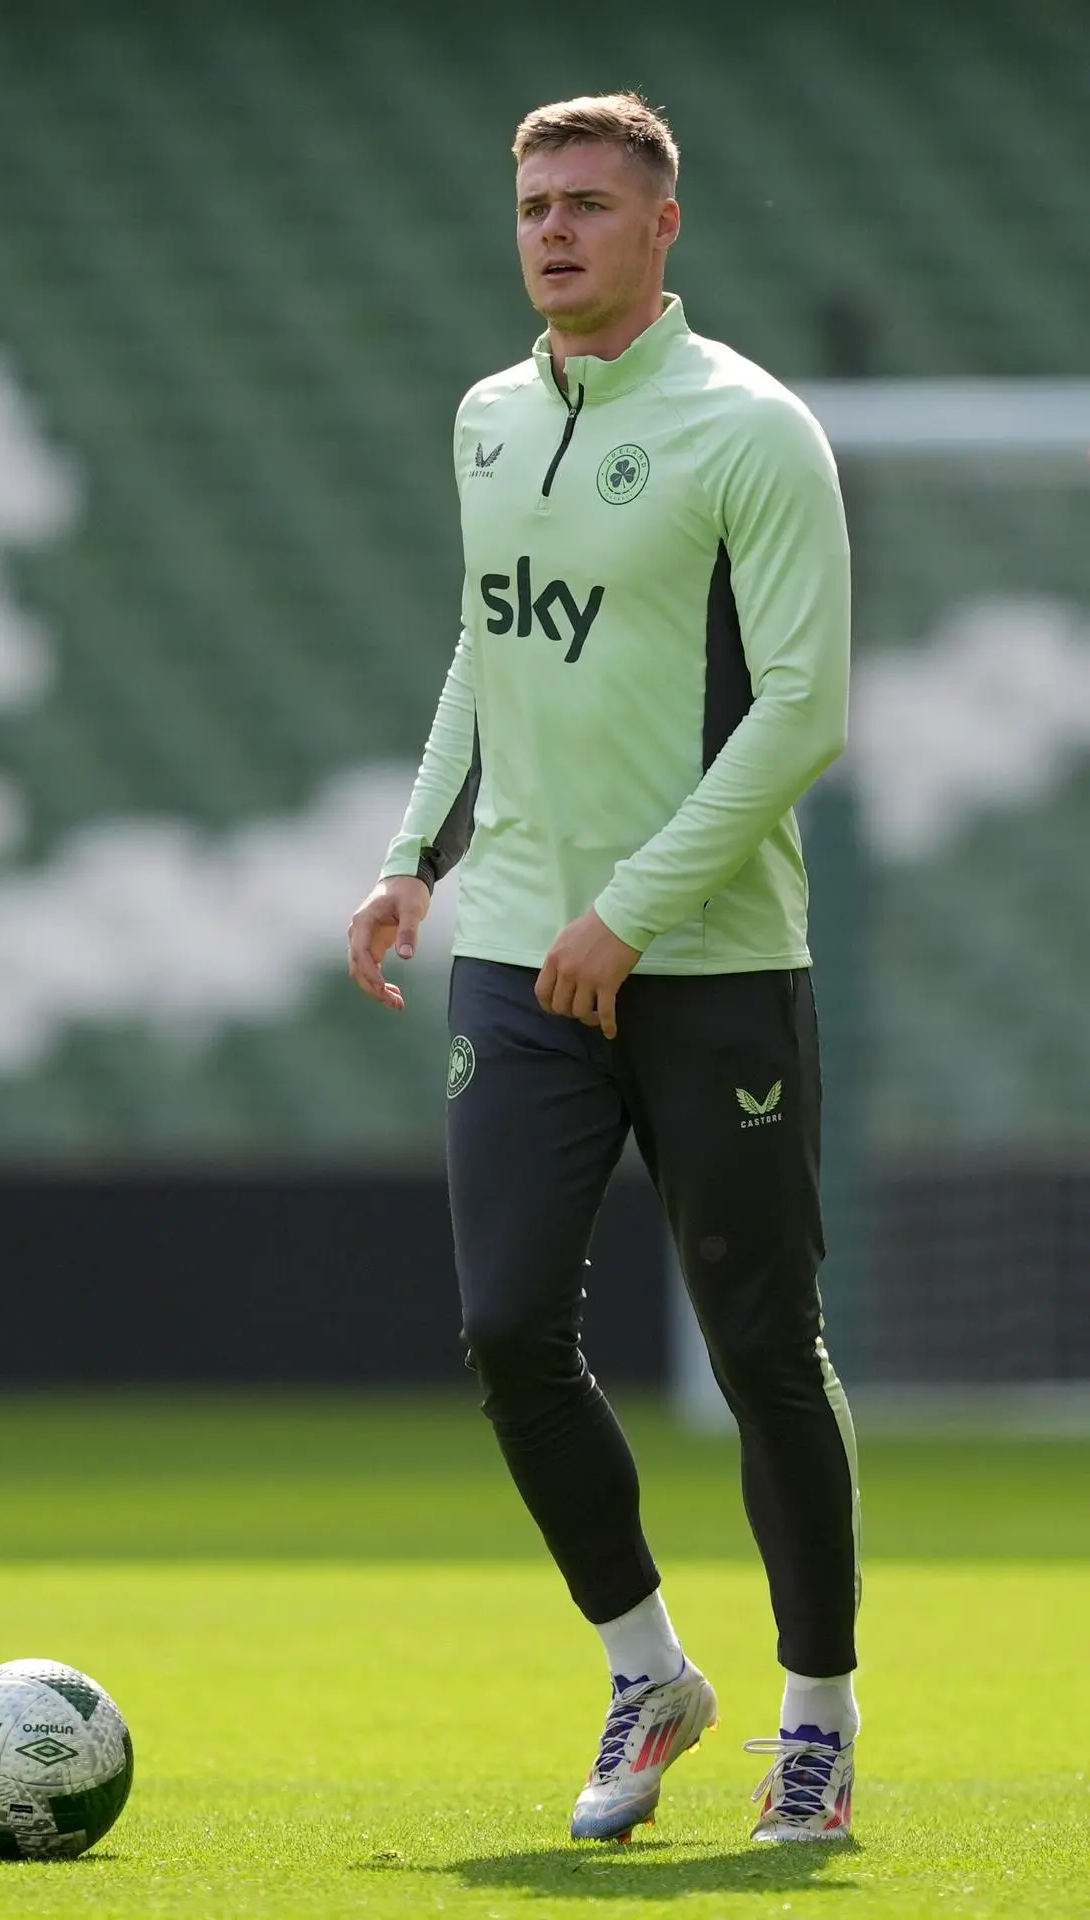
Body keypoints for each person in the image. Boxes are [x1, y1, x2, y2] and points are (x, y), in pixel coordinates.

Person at [347, 90, 859, 1846]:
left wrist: (631, 907)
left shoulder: (752, 434)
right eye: (533, 206)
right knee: (505, 1330)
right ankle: (650, 1670)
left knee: (762, 1349)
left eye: (587, 203)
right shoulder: (490, 419)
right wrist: (417, 860)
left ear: (663, 226)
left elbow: (803, 712)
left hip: (707, 961)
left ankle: (816, 1719)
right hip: (515, 956)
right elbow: (486, 648)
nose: (552, 229)